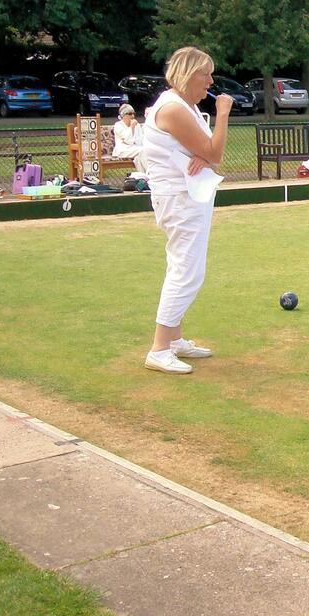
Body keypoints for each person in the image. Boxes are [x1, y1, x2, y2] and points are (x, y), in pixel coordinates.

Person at [141, 46, 232, 374]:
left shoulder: (186, 107)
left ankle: (175, 339)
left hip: (189, 196)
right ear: (188, 74)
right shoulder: (173, 109)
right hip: (180, 200)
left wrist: (205, 155)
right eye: (205, 74)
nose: (210, 81)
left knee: (182, 266)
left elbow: (209, 154)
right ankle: (159, 348)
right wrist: (223, 114)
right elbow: (215, 151)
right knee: (188, 272)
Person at [112, 104, 148, 174]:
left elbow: (140, 140)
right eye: (130, 114)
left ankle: (144, 176)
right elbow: (128, 141)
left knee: (139, 158)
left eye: (133, 114)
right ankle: (152, 174)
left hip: (135, 149)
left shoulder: (136, 125)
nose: (132, 116)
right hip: (122, 150)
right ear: (123, 115)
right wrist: (132, 127)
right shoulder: (118, 125)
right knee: (143, 150)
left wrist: (135, 128)